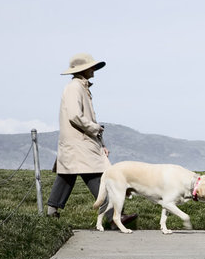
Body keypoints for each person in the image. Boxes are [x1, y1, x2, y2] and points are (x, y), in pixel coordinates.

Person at [46, 53, 137, 228]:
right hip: (80, 142)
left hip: (79, 142)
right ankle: (113, 216)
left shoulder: (80, 87)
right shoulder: (75, 88)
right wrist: (95, 129)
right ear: (83, 69)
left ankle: (52, 213)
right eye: (91, 67)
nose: (94, 69)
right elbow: (75, 116)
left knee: (67, 176)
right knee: (98, 174)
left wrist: (101, 144)